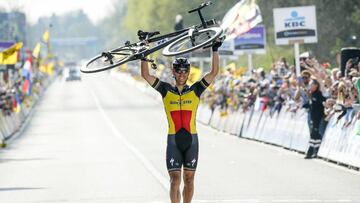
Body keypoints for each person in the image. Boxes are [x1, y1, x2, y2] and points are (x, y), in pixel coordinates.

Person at [140, 40, 222, 203]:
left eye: (185, 71)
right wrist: (144, 53)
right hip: (174, 140)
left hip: (191, 140)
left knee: (189, 180)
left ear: (189, 72)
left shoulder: (195, 90)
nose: (182, 74)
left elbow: (213, 72)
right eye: (179, 71)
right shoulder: (165, 89)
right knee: (175, 180)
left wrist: (215, 49)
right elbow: (146, 75)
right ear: (173, 72)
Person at [304, 79, 326, 159]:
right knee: (315, 134)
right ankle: (315, 150)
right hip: (313, 116)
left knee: (314, 134)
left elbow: (321, 102)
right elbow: (310, 104)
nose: (310, 86)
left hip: (318, 117)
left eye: (311, 85)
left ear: (316, 85)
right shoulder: (312, 94)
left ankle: (310, 152)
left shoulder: (318, 94)